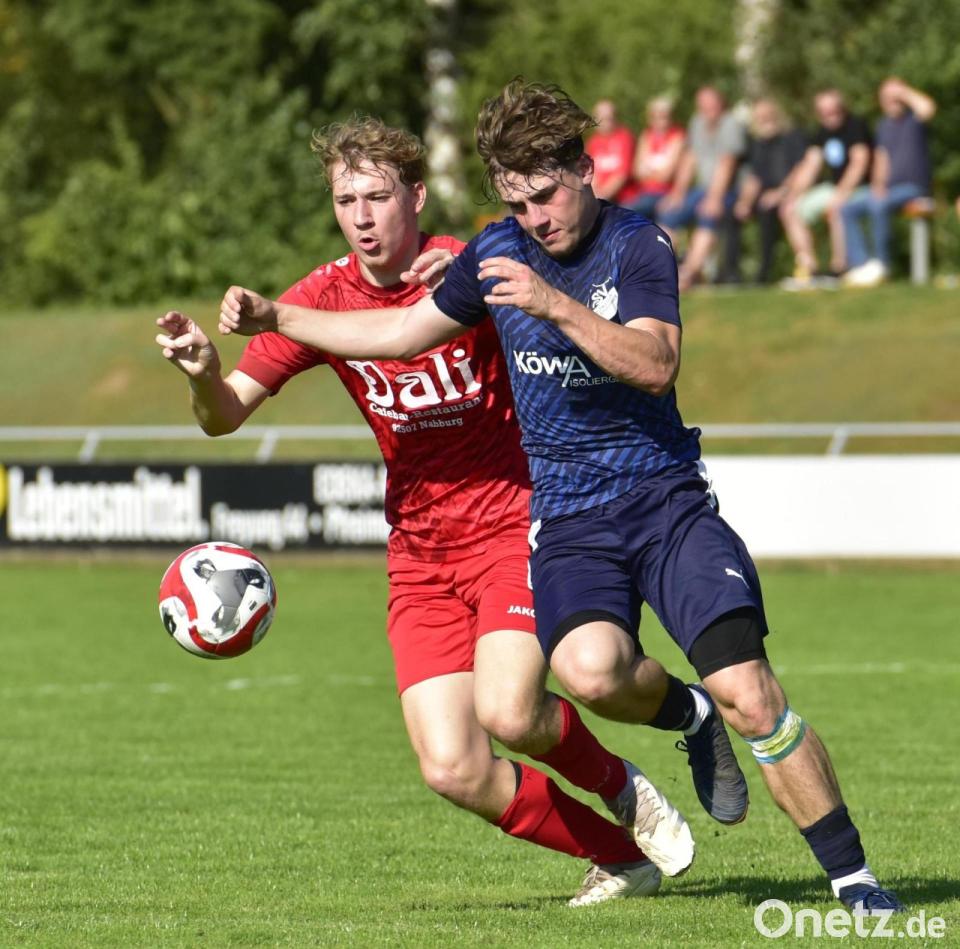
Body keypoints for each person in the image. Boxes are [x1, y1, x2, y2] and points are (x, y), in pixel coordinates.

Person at [217, 80, 904, 915]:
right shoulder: (494, 253)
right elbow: (396, 333)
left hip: (663, 501)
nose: (536, 219)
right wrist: (277, 316)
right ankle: (688, 718)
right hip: (571, 519)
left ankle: (856, 883)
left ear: (585, 169)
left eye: (546, 195)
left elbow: (656, 365)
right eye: (517, 202)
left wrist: (552, 303)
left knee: (751, 692)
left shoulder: (638, 243)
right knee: (588, 672)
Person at [155, 116, 705, 908]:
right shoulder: (321, 300)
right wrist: (204, 374)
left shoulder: (474, 264)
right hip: (419, 551)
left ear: (415, 195)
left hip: (515, 521)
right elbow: (224, 414)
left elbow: (576, 321)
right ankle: (620, 858)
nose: (362, 216)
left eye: (378, 196)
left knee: (509, 711)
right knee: (452, 766)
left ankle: (621, 784)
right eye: (346, 200)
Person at [841, 78, 936, 288]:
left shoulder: (914, 120)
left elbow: (928, 108)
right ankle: (862, 264)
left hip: (914, 188)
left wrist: (903, 92)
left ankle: (883, 265)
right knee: (847, 208)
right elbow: (881, 159)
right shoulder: (883, 126)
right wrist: (878, 185)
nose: (892, 101)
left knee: (878, 204)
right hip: (890, 189)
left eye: (895, 97)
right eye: (887, 97)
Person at [656, 86, 747, 289]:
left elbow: (728, 163)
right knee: (669, 215)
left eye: (712, 104)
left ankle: (689, 273)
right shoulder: (697, 123)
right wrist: (677, 193)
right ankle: (660, 271)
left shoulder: (731, 124)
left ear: (721, 103)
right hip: (703, 188)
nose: (708, 109)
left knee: (708, 216)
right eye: (704, 106)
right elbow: (690, 159)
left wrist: (714, 198)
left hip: (729, 190)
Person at [779, 89, 871, 288]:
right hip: (834, 188)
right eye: (825, 113)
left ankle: (839, 267)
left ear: (842, 109)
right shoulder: (821, 132)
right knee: (790, 210)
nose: (830, 117)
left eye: (834, 111)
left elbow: (859, 164)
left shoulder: (855, 126)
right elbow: (811, 166)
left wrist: (841, 194)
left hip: (861, 188)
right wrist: (793, 195)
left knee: (837, 208)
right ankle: (809, 268)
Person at [733, 99, 808, 284]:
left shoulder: (792, 137)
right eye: (760, 117)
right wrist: (744, 202)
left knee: (766, 211)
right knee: (732, 214)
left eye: (767, 116)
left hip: (791, 192)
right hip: (767, 195)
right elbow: (755, 178)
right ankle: (731, 273)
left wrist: (781, 193)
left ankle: (765, 271)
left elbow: (800, 169)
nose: (764, 121)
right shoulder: (759, 144)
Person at [628, 96, 686, 220]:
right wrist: (656, 173)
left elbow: (667, 176)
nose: (659, 120)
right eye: (655, 116)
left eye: (664, 116)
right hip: (643, 192)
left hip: (665, 193)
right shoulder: (646, 136)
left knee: (629, 212)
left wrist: (648, 173)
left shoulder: (677, 136)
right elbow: (636, 172)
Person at [584, 99, 642, 208]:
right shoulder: (593, 142)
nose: (604, 122)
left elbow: (622, 175)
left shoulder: (625, 138)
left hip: (624, 198)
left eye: (608, 118)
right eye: (600, 118)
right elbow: (590, 174)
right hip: (599, 196)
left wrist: (602, 197)